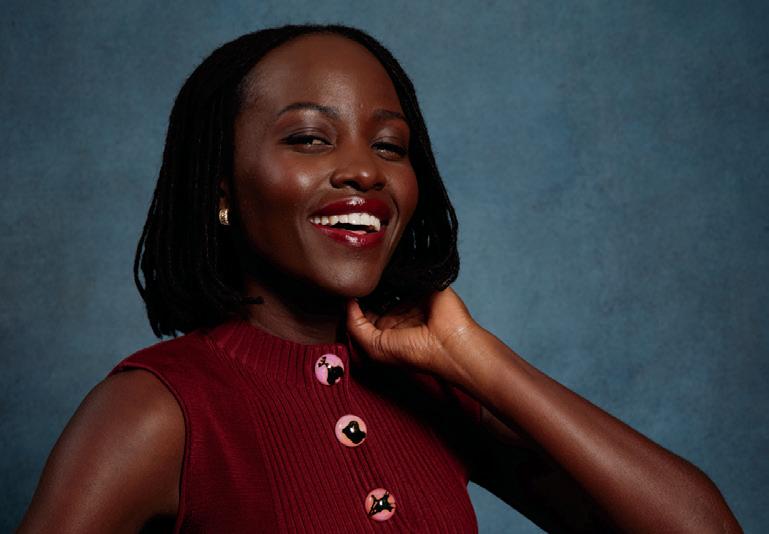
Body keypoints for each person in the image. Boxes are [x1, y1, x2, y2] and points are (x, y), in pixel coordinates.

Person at [19, 24, 741, 533]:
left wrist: (480, 361)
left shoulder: (435, 388)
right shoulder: (155, 409)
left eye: (390, 146)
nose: (365, 171)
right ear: (221, 189)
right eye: (309, 138)